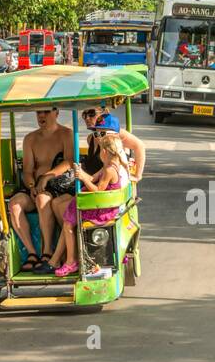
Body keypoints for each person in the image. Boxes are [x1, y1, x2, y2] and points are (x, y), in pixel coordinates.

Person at [48, 131, 129, 277]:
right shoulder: (109, 166)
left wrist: (83, 179)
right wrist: (80, 172)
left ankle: (71, 261)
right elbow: (92, 178)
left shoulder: (110, 170)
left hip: (100, 208)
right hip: (98, 204)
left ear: (104, 152)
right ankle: (68, 258)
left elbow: (98, 189)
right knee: (68, 219)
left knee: (68, 223)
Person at [8, 107, 75, 273]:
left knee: (42, 200)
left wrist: (47, 177)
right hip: (34, 187)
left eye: (46, 112)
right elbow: (28, 170)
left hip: (57, 186)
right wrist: (32, 186)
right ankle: (31, 253)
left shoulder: (66, 134)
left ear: (56, 113)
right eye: (39, 112)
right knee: (15, 204)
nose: (42, 116)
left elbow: (69, 162)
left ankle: (47, 252)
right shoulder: (30, 138)